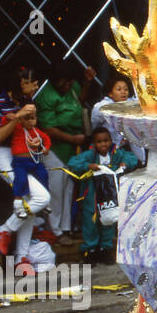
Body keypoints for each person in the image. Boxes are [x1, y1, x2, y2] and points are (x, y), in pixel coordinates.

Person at [33, 65, 95, 237]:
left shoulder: (72, 86)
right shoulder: (46, 95)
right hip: (54, 148)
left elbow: (79, 100)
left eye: (69, 82)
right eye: (63, 83)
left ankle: (66, 227)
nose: (67, 86)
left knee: (69, 189)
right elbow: (49, 129)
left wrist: (87, 83)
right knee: (56, 190)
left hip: (72, 149)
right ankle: (55, 229)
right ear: (54, 81)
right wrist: (73, 139)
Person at [0, 105, 56, 272]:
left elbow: (45, 141)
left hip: (30, 160)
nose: (35, 85)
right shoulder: (0, 102)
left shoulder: (30, 114)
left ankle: (21, 257)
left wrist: (41, 144)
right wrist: (18, 115)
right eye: (30, 82)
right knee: (41, 197)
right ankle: (4, 229)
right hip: (9, 157)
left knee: (33, 201)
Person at [70, 126, 138, 260]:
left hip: (109, 194)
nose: (103, 144)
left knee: (109, 218)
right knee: (91, 220)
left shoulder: (116, 153)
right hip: (92, 194)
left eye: (106, 140)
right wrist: (88, 166)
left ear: (111, 141)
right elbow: (73, 163)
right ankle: (90, 250)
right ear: (94, 143)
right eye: (99, 141)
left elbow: (132, 158)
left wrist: (125, 163)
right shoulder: (90, 155)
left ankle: (105, 248)